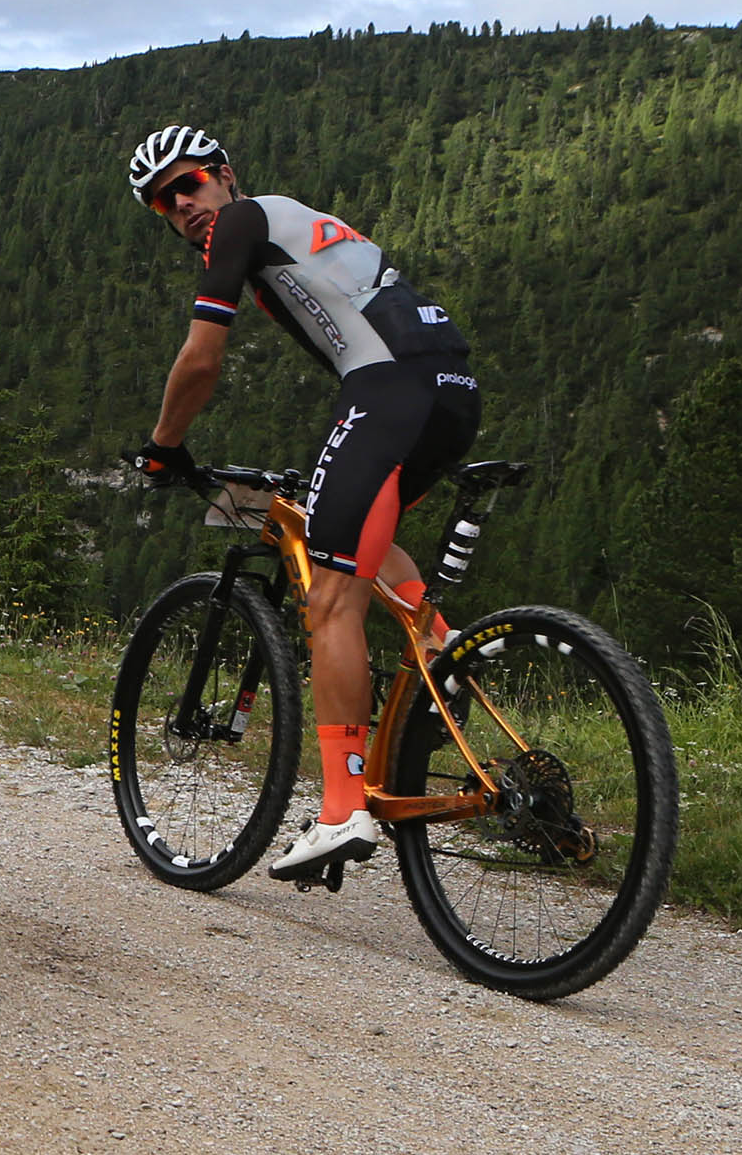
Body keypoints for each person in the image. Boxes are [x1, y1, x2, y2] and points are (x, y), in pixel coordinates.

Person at [126, 123, 480, 881]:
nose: (181, 205)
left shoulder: (243, 221)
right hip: (449, 389)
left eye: (188, 183)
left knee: (327, 600)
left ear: (225, 173)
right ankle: (438, 649)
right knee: (357, 544)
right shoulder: (288, 220)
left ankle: (339, 809)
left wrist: (161, 444)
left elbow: (201, 355)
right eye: (161, 204)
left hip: (387, 390)